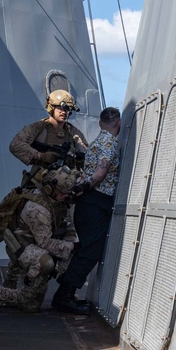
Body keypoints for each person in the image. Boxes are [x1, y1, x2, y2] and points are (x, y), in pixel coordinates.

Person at [0, 167, 80, 312]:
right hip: (23, 248)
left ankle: (14, 281)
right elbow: (46, 243)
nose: (64, 197)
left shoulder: (53, 200)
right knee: (30, 302)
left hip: (29, 243)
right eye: (61, 194)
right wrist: (72, 247)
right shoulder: (38, 210)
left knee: (64, 254)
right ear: (50, 189)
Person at [53, 107, 122, 314]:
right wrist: (85, 187)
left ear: (100, 123)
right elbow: (100, 174)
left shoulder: (96, 143)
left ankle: (65, 290)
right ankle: (63, 297)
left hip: (86, 203)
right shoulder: (110, 144)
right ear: (118, 124)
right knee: (91, 250)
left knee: (86, 249)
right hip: (96, 202)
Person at [9, 89, 89, 178]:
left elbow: (87, 155)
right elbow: (15, 144)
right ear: (51, 107)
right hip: (42, 180)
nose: (64, 112)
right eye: (60, 108)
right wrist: (41, 156)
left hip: (67, 180)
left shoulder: (74, 132)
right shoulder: (38, 128)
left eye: (67, 109)